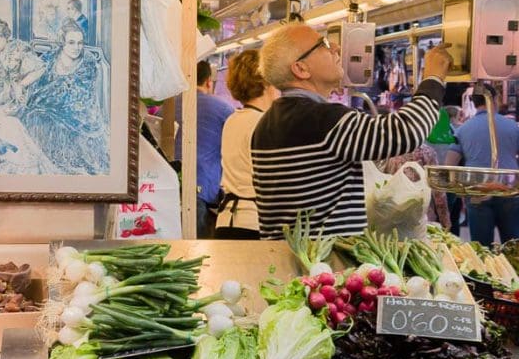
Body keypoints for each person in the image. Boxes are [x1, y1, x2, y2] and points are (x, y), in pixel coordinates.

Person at [251, 24, 452, 239]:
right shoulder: (322, 120)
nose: (336, 47)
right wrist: (433, 79)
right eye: (324, 44)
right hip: (324, 264)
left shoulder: (266, 124)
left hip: (288, 259)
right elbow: (406, 132)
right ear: (301, 69)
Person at [0, 14, 54, 175]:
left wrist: (21, 84)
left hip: (13, 99)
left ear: (4, 36)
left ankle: (11, 160)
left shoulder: (18, 48)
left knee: (0, 123)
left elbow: (40, 68)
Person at [23, 20, 108, 175]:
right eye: (71, 42)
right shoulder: (50, 57)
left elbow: (81, 95)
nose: (77, 47)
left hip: (77, 112)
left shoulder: (88, 61)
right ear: (62, 43)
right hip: (47, 106)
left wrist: (47, 98)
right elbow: (35, 76)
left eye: (80, 43)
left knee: (47, 121)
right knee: (32, 116)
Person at [215, 50, 280, 239]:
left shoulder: (233, 119)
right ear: (265, 81)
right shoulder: (265, 124)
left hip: (227, 221)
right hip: (255, 224)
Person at [445, 88, 519, 245]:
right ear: (495, 99)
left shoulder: (463, 130)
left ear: (473, 102)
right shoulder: (513, 126)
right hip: (509, 189)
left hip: (477, 191)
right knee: (513, 247)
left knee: (481, 248)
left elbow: (449, 164)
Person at [174, 61, 235, 238]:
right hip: (201, 188)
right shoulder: (224, 109)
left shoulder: (166, 108)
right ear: (209, 81)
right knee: (196, 248)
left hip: (168, 186)